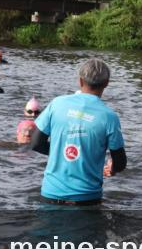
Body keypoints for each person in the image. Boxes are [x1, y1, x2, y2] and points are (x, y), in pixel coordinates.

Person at [29, 58, 127, 205]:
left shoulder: (57, 104)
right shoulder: (109, 117)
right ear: (106, 83)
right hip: (87, 199)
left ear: (80, 81)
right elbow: (120, 162)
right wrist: (112, 167)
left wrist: (60, 151)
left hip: (50, 195)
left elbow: (35, 143)